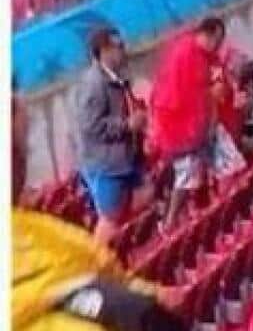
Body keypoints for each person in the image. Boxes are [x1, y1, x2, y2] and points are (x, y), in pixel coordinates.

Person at [13, 98, 189, 331]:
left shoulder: (48, 236)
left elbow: (106, 277)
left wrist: (153, 295)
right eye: (24, 150)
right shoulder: (51, 240)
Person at [73, 28, 151, 246]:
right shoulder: (93, 84)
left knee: (145, 194)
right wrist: (126, 125)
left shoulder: (119, 77)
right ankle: (95, 259)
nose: (124, 51)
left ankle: (124, 246)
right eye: (119, 47)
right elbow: (90, 126)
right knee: (110, 219)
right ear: (104, 50)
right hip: (106, 165)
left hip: (126, 158)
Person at [148, 17, 228, 228]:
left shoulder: (206, 55)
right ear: (208, 35)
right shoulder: (184, 54)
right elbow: (182, 95)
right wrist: (210, 94)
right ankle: (170, 222)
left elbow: (216, 75)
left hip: (195, 124)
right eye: (217, 40)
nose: (219, 46)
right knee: (187, 172)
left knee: (202, 168)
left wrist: (216, 88)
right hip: (177, 124)